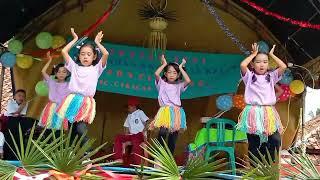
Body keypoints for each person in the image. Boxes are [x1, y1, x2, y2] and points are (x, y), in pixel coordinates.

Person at [57, 28, 109, 144]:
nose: (85, 57)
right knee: (71, 131)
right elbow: (64, 52)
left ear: (94, 57)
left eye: (89, 54)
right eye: (83, 54)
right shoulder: (74, 67)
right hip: (72, 100)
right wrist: (75, 39)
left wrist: (97, 43)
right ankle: (72, 156)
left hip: (85, 102)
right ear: (79, 56)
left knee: (81, 129)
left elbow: (106, 54)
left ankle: (86, 154)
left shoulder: (96, 69)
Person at [238, 43, 287, 162]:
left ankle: (267, 163)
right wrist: (253, 54)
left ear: (268, 64)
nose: (262, 64)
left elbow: (283, 66)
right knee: (253, 142)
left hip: (268, 112)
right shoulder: (249, 77)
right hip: (253, 112)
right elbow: (243, 65)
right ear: (253, 64)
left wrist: (271, 55)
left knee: (275, 139)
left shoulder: (271, 77)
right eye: (258, 62)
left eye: (265, 62)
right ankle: (256, 168)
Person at [149, 55, 191, 154]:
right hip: (165, 111)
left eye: (174, 72)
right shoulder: (162, 83)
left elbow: (188, 81)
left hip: (176, 112)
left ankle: (169, 158)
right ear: (165, 74)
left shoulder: (179, 85)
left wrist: (181, 67)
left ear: (178, 75)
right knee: (162, 132)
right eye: (169, 72)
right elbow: (156, 73)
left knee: (173, 136)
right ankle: (159, 155)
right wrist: (164, 64)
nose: (172, 74)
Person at [38, 51, 70, 130]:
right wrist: (49, 60)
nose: (61, 74)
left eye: (64, 72)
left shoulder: (69, 84)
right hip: (51, 108)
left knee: (58, 131)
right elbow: (43, 72)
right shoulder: (51, 82)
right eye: (59, 72)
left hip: (61, 109)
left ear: (67, 74)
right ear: (55, 73)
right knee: (48, 129)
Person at [113, 97, 149, 165]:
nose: (128, 108)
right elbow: (126, 127)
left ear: (134, 106)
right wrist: (126, 137)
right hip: (131, 135)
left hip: (139, 135)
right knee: (118, 137)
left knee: (136, 144)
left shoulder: (140, 112)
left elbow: (147, 121)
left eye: (129, 106)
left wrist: (144, 131)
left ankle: (137, 164)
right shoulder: (129, 115)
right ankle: (119, 158)